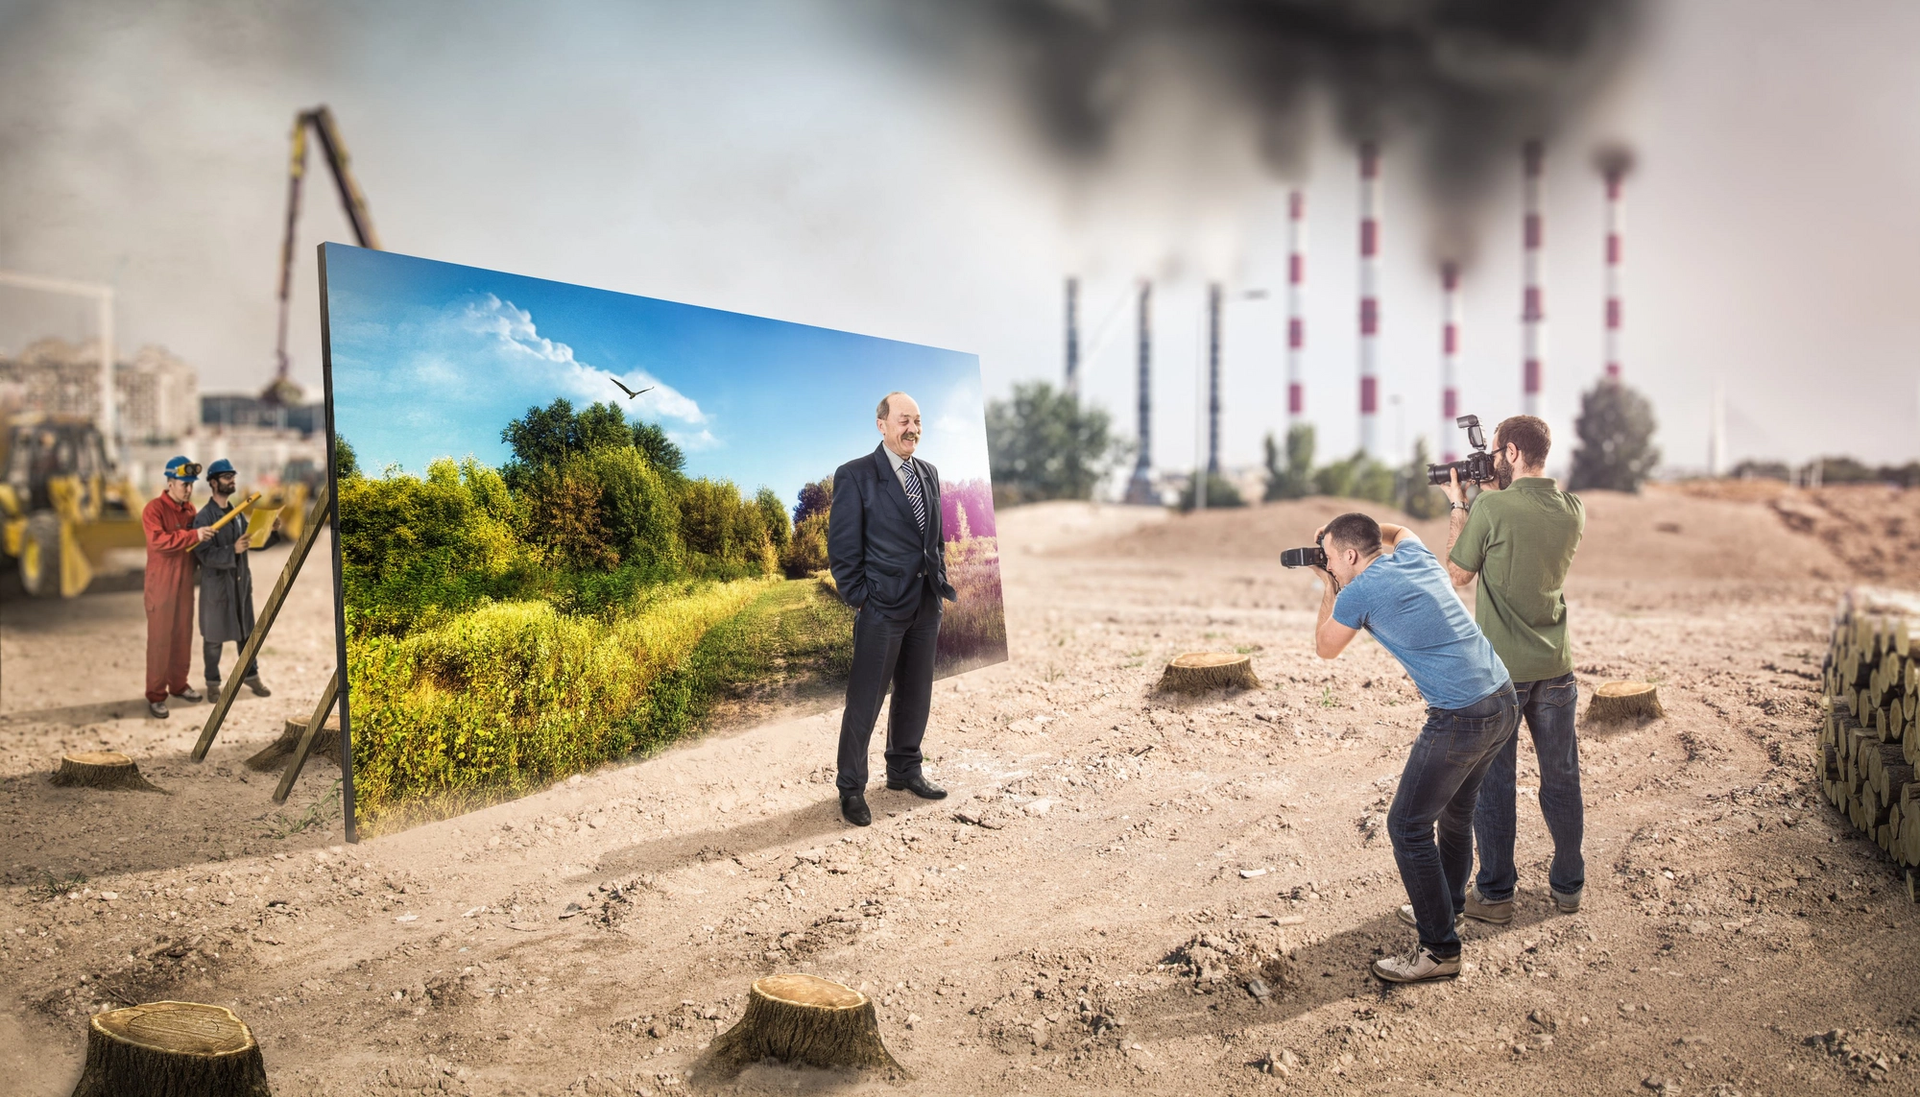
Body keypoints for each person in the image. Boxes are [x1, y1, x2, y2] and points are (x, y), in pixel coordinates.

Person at [1309, 511, 1518, 983]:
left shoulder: (1357, 590)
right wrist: (1343, 535)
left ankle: (1440, 950)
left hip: (1461, 715)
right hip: (1502, 698)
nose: (1330, 567)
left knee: (1406, 826)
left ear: (1349, 555)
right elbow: (1397, 530)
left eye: (1332, 560)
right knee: (1456, 814)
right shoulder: (1415, 555)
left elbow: (1325, 647)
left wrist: (1327, 585)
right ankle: (1449, 910)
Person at [1442, 414, 1587, 920]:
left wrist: (1461, 505)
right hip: (1556, 666)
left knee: (1495, 783)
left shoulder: (1492, 507)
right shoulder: (1573, 509)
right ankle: (1569, 886)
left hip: (1502, 673)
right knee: (1561, 777)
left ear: (1511, 453)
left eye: (1499, 451)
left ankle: (1497, 895)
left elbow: (1457, 573)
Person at [826, 391, 958, 827]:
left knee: (916, 694)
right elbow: (844, 553)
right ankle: (851, 788)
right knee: (865, 700)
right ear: (881, 424)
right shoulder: (855, 475)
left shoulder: (930, 473)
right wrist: (863, 598)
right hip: (881, 607)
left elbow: (933, 539)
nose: (913, 428)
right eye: (904, 420)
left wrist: (937, 585)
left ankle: (904, 770)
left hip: (925, 604)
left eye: (918, 420)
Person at [142, 456, 213, 719]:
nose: (188, 489)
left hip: (184, 584)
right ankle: (156, 695)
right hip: (160, 586)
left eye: (191, 484)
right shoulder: (153, 509)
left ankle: (179, 685)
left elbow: (195, 549)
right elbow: (158, 541)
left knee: (182, 637)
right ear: (170, 482)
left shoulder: (190, 511)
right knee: (160, 641)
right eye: (184, 484)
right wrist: (194, 535)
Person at [194, 459, 271, 699]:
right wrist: (232, 551)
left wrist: (271, 529)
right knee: (214, 639)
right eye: (227, 477)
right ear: (214, 483)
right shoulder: (204, 517)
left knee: (246, 633)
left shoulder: (236, 514)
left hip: (239, 585)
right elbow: (203, 554)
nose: (232, 480)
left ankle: (251, 677)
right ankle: (212, 683)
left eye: (233, 476)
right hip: (217, 588)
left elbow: (251, 540)